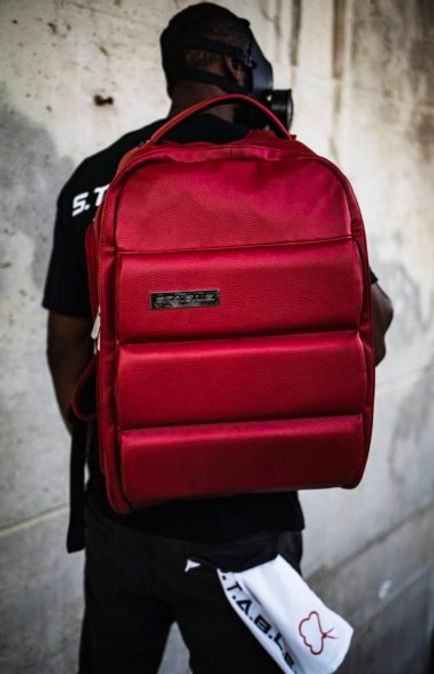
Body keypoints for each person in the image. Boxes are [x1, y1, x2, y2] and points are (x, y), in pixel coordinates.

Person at [42, 4, 393, 673]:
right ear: (240, 68)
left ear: (172, 73)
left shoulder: (96, 177)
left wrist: (114, 448)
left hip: (121, 516)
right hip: (248, 534)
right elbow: (370, 328)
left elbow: (65, 343)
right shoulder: (286, 175)